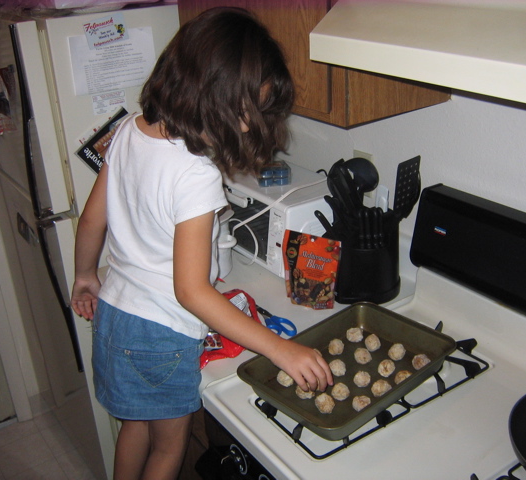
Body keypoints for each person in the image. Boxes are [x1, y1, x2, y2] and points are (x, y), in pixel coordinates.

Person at [70, 7, 333, 480]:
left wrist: (85, 276)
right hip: (159, 335)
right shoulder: (195, 175)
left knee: (135, 427)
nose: (250, 126)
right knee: (169, 449)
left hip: (114, 316)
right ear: (212, 95)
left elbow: (91, 222)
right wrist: (280, 349)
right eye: (247, 110)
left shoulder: (129, 130)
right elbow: (190, 291)